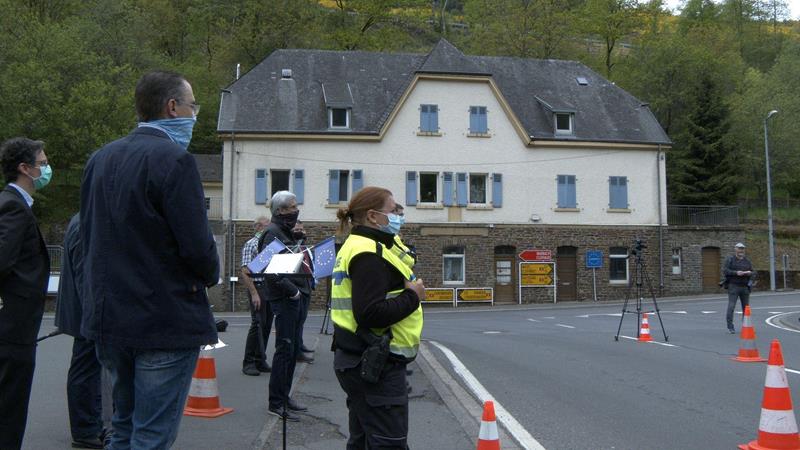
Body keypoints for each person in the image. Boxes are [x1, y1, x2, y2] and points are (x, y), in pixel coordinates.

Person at [80, 70, 220, 449]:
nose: (195, 115)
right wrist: (212, 274)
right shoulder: (174, 160)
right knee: (151, 434)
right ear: (172, 107)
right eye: (193, 107)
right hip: (162, 319)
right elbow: (197, 247)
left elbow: (90, 236)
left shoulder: (100, 159)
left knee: (123, 427)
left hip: (110, 318)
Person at [331, 186, 426, 449]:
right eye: (394, 210)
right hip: (375, 363)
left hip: (357, 357)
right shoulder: (368, 254)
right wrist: (413, 296)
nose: (399, 215)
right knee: (389, 443)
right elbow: (370, 313)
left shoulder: (360, 244)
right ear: (373, 216)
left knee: (363, 441)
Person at [0, 137, 51, 450]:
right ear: (24, 168)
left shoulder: (12, 204)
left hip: (12, 325)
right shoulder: (14, 208)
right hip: (12, 327)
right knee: (9, 409)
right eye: (42, 164)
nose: (46, 169)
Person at [257, 191, 313, 421]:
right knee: (285, 350)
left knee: (290, 351)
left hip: (294, 296)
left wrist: (299, 241)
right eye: (291, 206)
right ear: (279, 211)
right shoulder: (272, 233)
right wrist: (293, 292)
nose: (296, 209)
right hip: (286, 299)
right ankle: (276, 402)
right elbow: (268, 269)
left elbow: (287, 260)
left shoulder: (283, 231)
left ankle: (284, 396)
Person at [54, 213, 107, 449]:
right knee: (86, 369)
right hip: (89, 316)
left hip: (86, 314)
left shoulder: (83, 218)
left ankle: (88, 426)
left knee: (86, 368)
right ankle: (86, 429)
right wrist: (97, 316)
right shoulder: (88, 223)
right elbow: (88, 281)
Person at [241, 215, 274, 376]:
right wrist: (254, 293)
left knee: (267, 325)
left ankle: (260, 359)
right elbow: (245, 272)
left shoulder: (268, 246)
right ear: (260, 227)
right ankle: (249, 362)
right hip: (258, 286)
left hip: (268, 287)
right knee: (258, 324)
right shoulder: (251, 244)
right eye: (268, 225)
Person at [292, 220, 315, 364]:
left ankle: (299, 345)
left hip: (307, 286)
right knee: (296, 321)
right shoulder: (293, 248)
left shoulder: (304, 247)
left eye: (302, 229)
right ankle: (296, 352)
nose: (302, 232)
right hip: (298, 287)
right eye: (298, 229)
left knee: (302, 320)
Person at [723, 242, 756, 334]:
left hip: (745, 287)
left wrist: (750, 274)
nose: (741, 250)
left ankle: (746, 326)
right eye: (739, 248)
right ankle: (730, 326)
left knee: (746, 308)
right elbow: (725, 271)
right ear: (735, 249)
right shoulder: (730, 260)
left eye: (742, 249)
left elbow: (754, 272)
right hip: (733, 286)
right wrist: (736, 273)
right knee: (731, 306)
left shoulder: (747, 261)